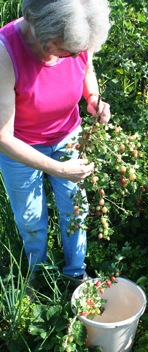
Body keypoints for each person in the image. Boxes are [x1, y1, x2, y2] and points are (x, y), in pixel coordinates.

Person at [0, 0, 111, 281]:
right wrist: (59, 169)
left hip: (67, 136)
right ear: (44, 33)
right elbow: (2, 137)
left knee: (77, 210)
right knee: (30, 220)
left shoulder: (78, 35)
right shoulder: (5, 53)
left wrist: (93, 98)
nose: (75, 55)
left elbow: (87, 71)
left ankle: (76, 274)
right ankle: (39, 276)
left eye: (80, 50)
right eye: (67, 51)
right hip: (20, 147)